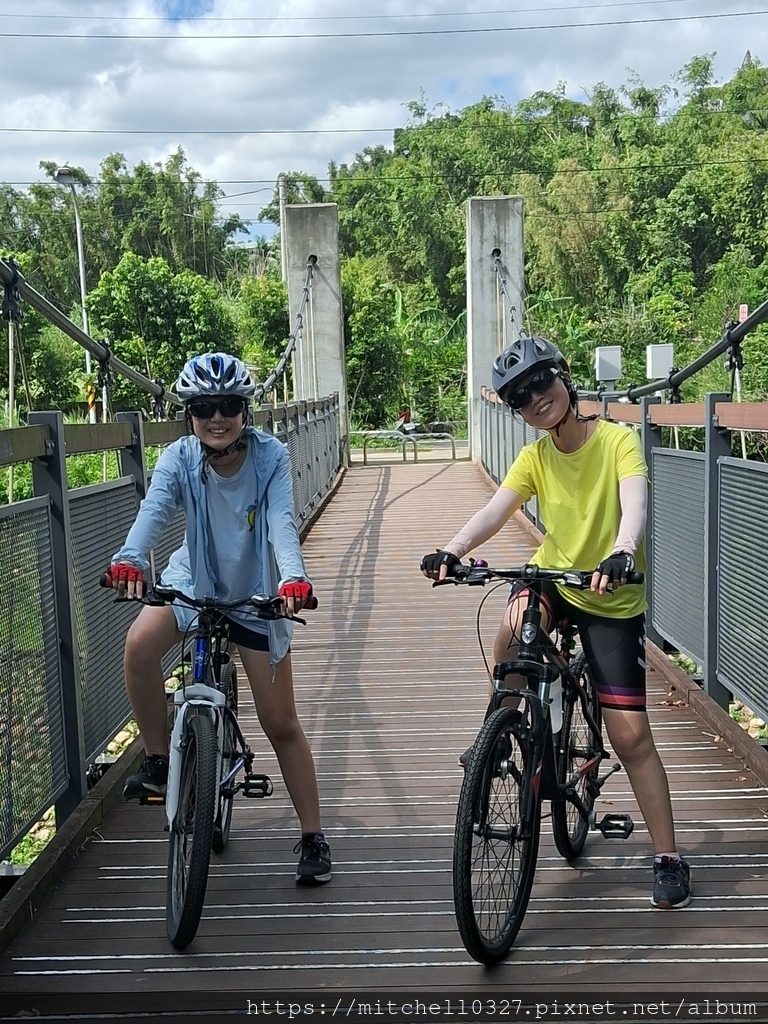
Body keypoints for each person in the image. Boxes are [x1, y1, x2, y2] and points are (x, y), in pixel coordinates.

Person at [420, 335, 690, 911]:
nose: (535, 398)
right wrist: (452, 549)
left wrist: (622, 550)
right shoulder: (536, 458)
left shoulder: (617, 440)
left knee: (630, 736)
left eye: (541, 381)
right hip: (556, 580)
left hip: (609, 591)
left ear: (564, 376)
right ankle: (498, 732)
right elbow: (496, 510)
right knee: (514, 620)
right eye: (520, 396)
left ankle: (667, 857)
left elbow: (634, 503)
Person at [107, 352, 331, 886]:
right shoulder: (179, 458)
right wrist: (130, 559)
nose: (217, 417)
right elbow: (153, 511)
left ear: (244, 410)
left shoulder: (270, 456)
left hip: (258, 591)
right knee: (139, 645)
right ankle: (159, 760)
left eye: (229, 405)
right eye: (204, 407)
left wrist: (292, 579)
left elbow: (281, 523)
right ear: (189, 413)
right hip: (195, 581)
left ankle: (313, 836)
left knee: (280, 722)